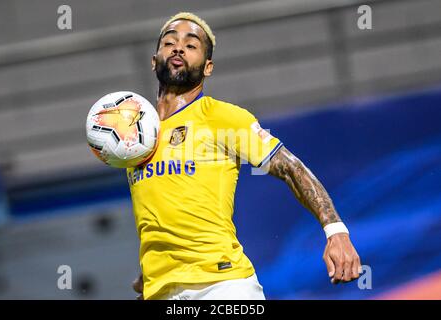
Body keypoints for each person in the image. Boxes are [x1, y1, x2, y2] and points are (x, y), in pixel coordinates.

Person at [129, 12, 361, 300]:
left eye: (191, 46)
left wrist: (335, 231)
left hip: (222, 286)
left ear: (208, 67)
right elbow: (158, 215)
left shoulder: (222, 117)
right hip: (160, 292)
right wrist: (148, 274)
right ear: (154, 60)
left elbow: (291, 168)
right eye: (169, 43)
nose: (178, 48)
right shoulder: (135, 137)